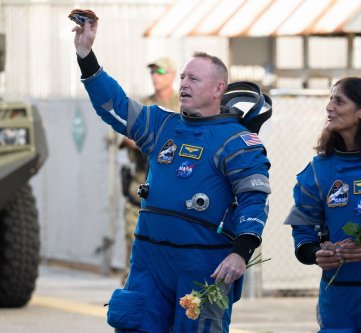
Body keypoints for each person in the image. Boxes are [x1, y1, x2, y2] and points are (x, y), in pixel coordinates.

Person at [72, 19, 271, 332]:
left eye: (194, 78)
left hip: (202, 265)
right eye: (182, 77)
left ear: (219, 88)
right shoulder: (160, 124)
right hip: (148, 262)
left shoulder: (237, 141)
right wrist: (86, 56)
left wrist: (240, 253)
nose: (183, 84)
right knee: (133, 325)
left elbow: (253, 199)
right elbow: (115, 106)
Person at [284, 77, 361, 332]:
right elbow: (303, 233)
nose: (329, 107)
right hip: (337, 297)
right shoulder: (318, 170)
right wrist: (317, 253)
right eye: (330, 99)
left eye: (339, 100)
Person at [119, 57, 179, 284]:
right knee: (133, 249)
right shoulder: (143, 106)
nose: (155, 76)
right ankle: (131, 303)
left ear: (172, 75)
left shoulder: (182, 106)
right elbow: (126, 135)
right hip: (140, 189)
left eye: (161, 71)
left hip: (172, 194)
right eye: (152, 71)